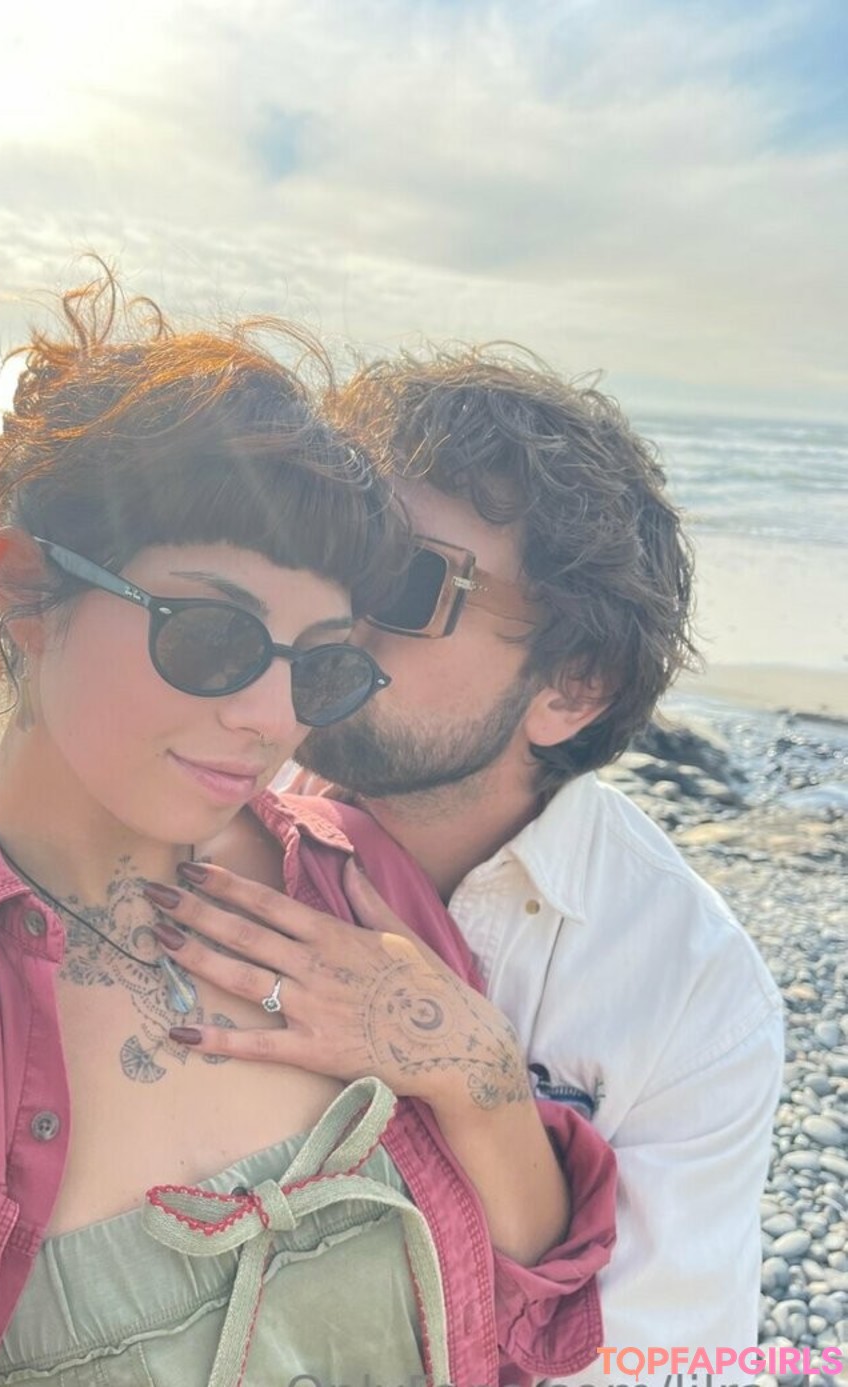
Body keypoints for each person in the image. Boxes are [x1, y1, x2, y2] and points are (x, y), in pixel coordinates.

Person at [0, 284, 615, 1387]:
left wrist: (482, 1072)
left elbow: (526, 1314)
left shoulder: (352, 880)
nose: (271, 717)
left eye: (319, 666)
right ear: (29, 592)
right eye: (214, 635)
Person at [175, 347, 782, 1377]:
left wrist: (482, 1084)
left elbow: (658, 1359)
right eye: (338, 551)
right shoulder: (195, 807)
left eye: (408, 580)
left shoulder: (690, 988)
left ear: (574, 686)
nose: (338, 611)